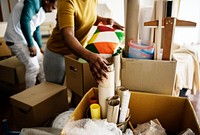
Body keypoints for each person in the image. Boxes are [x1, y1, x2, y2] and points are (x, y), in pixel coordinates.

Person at [43, 0, 124, 85]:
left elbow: (89, 17)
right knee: (56, 92)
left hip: (78, 52)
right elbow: (68, 36)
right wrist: (90, 56)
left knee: (73, 88)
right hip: (58, 54)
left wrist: (107, 21)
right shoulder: (66, 1)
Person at [4, 0, 57, 88]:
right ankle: (29, 95)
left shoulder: (41, 12)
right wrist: (31, 44)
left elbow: (36, 30)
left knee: (41, 61)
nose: (53, 10)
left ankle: (45, 87)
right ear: (47, 1)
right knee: (33, 67)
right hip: (15, 38)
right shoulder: (34, 1)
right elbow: (24, 21)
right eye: (53, 7)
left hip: (23, 37)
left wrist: (39, 47)